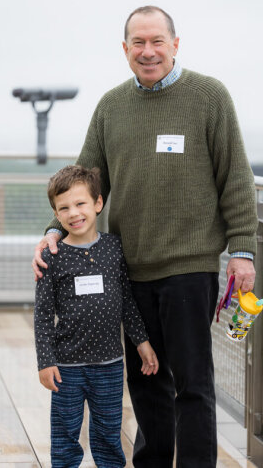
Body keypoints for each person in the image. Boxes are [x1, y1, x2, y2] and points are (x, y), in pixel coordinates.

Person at [33, 6, 258, 468]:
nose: (148, 51)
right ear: (125, 50)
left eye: (157, 41)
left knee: (193, 382)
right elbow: (85, 179)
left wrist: (242, 250)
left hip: (189, 269)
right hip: (129, 269)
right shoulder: (111, 107)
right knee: (146, 378)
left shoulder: (209, 97)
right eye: (138, 42)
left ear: (175, 44)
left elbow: (236, 177)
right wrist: (55, 229)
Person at [34, 165, 159, 468]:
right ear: (56, 214)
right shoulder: (52, 257)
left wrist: (141, 342)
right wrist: (45, 362)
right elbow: (42, 316)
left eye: (80, 204)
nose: (74, 213)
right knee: (65, 436)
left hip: (110, 366)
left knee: (107, 436)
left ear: (98, 204)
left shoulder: (114, 248)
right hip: (66, 367)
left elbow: (127, 301)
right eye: (64, 208)